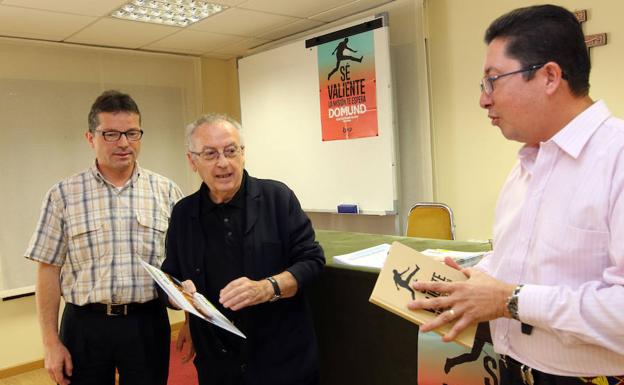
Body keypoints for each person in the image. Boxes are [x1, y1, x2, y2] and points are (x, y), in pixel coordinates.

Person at [407, 5, 624, 384]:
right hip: (511, 370)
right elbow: (522, 260)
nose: (483, 99)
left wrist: (508, 300)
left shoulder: (617, 158)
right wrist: (480, 278)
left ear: (549, 77)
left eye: (493, 80)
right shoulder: (527, 163)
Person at [25, 90, 184, 385]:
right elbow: (48, 269)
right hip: (84, 326)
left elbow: (184, 266)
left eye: (132, 133)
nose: (123, 143)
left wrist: (190, 321)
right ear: (90, 138)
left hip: (147, 323)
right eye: (110, 134)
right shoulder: (63, 195)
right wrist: (50, 342)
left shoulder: (167, 192)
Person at [161, 113, 325, 385]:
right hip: (218, 362)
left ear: (243, 153)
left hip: (281, 360)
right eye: (210, 154)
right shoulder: (183, 213)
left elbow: (312, 261)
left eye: (230, 150)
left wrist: (267, 287)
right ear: (193, 161)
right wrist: (178, 296)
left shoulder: (277, 198)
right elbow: (170, 276)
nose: (223, 162)